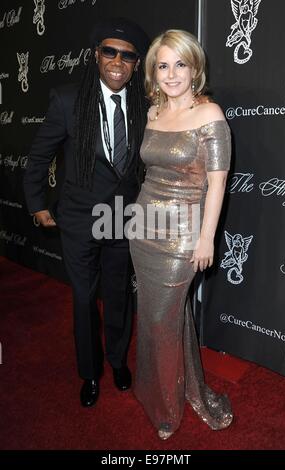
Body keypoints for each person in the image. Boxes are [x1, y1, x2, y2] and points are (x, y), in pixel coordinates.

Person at [23, 18, 149, 407]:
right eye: (110, 51)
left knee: (117, 295)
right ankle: (90, 372)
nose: (117, 61)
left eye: (127, 56)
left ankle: (116, 360)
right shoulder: (67, 99)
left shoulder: (147, 106)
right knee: (82, 299)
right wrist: (37, 203)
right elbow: (39, 155)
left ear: (136, 63)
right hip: (78, 217)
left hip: (122, 218)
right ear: (96, 55)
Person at [129, 29, 233, 439]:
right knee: (164, 316)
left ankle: (166, 407)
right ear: (154, 72)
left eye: (180, 64)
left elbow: (217, 184)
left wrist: (206, 238)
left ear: (195, 68)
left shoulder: (210, 115)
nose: (172, 74)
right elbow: (149, 172)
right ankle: (159, 386)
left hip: (183, 234)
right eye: (163, 65)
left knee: (160, 317)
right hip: (143, 225)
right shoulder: (153, 113)